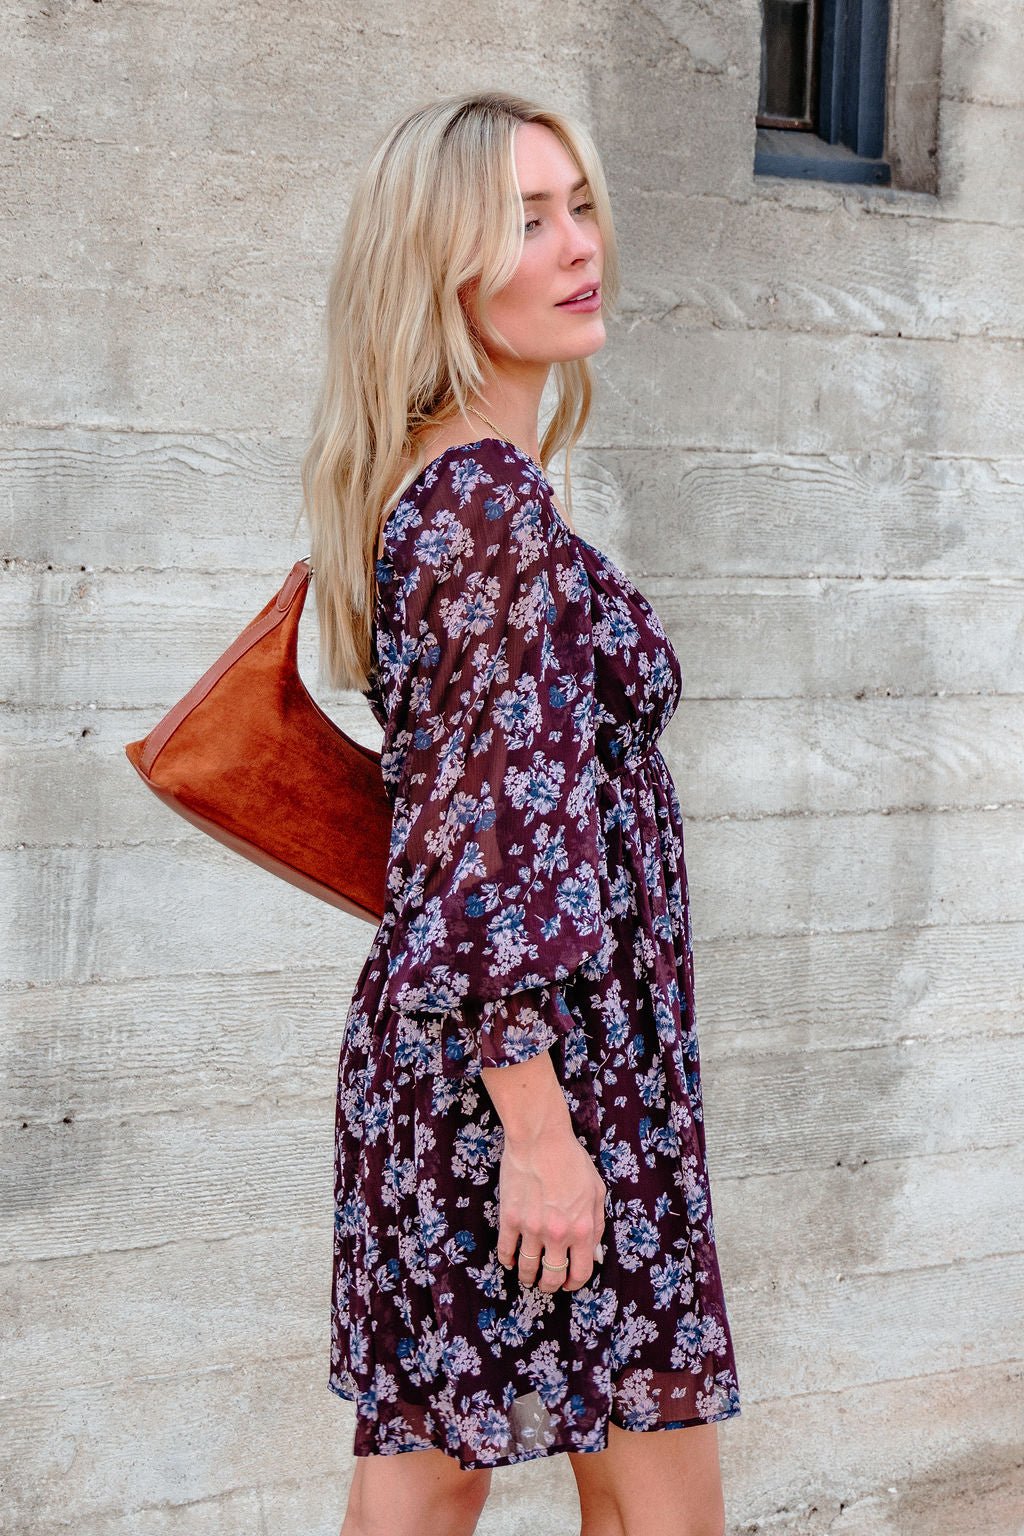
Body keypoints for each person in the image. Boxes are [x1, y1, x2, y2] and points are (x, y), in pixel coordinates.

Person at [299, 90, 741, 1536]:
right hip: (529, 1082)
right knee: (602, 1506)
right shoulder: (483, 510)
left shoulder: (461, 494)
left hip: (529, 1068)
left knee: (477, 1489)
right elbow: (492, 859)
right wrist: (541, 1132)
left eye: (578, 206)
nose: (575, 246)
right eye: (524, 222)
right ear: (442, 273)